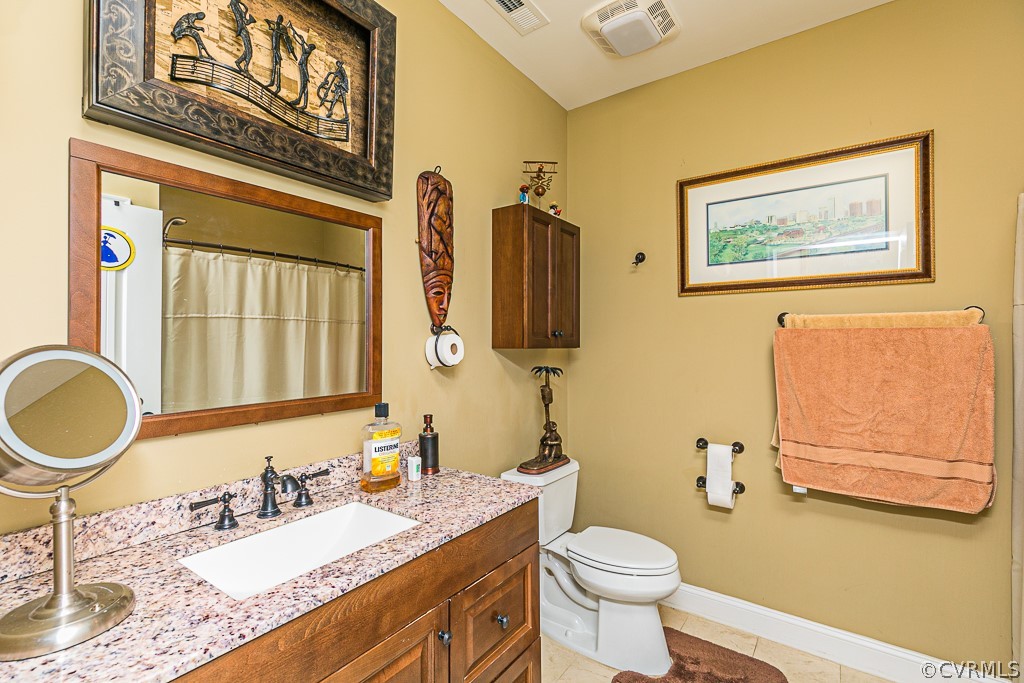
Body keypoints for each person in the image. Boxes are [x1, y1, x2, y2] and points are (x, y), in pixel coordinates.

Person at [264, 15, 295, 94]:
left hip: (277, 49)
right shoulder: (275, 24)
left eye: (279, 19)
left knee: (277, 64)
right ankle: (272, 81)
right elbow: (268, 21)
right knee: (275, 64)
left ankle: (278, 86)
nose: (278, 20)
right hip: (274, 48)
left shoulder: (281, 27)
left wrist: (290, 48)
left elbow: (286, 38)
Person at [289, 27, 317, 109]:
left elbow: (302, 45)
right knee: (304, 86)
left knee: (303, 86)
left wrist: (300, 39)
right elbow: (301, 43)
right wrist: (296, 35)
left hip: (303, 68)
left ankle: (300, 101)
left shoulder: (308, 51)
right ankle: (303, 103)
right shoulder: (307, 50)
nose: (308, 46)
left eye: (309, 46)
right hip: (303, 67)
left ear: (311, 48)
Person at [228, 0, 257, 73]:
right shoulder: (234, 3)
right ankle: (245, 67)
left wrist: (244, 8)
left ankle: (239, 62)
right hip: (243, 29)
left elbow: (243, 19)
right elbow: (240, 19)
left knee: (248, 50)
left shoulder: (237, 4)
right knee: (249, 51)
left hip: (244, 29)